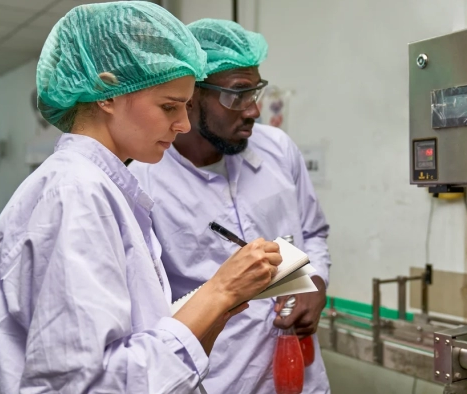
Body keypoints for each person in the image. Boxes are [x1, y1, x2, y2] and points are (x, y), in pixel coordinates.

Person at [0, 4, 282, 393]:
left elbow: (138, 342)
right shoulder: (75, 194)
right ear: (108, 93)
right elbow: (84, 383)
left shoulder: (105, 188)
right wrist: (218, 290)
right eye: (169, 106)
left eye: (186, 106)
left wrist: (218, 311)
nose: (184, 124)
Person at [129, 19, 331, 393]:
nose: (253, 110)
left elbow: (314, 231)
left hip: (300, 374)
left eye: (255, 92)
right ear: (190, 97)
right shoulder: (143, 183)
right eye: (237, 95)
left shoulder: (278, 150)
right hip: (218, 380)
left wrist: (316, 280)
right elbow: (145, 308)